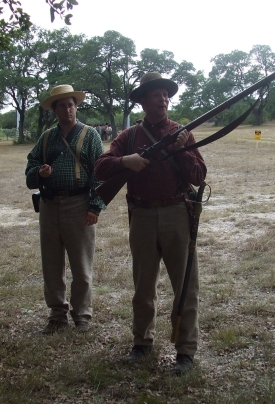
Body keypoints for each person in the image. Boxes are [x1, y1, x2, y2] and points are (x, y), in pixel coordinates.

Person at [94, 72, 207, 373]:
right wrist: (125, 161)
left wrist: (180, 152)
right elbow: (100, 167)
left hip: (176, 214)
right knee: (143, 286)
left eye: (166, 94)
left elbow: (198, 176)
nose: (163, 99)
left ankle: (185, 351)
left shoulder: (182, 133)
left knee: (185, 286)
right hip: (141, 215)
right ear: (143, 101)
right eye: (156, 94)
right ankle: (141, 344)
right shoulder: (128, 137)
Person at [25, 84, 106, 334]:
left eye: (71, 104)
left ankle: (82, 314)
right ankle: (57, 313)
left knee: (81, 264)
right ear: (55, 110)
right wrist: (39, 172)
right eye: (62, 106)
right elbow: (31, 167)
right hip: (50, 205)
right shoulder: (47, 137)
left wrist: (95, 206)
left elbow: (100, 173)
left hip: (79, 204)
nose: (68, 109)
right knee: (51, 262)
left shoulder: (90, 135)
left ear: (76, 107)